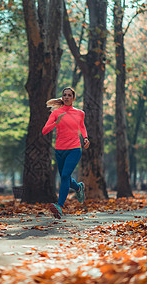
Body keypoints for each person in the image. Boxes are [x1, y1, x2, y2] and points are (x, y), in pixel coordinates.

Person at [42, 87, 90, 219]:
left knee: (64, 176)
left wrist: (85, 138)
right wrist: (55, 123)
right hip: (59, 150)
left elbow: (82, 126)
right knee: (66, 178)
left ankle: (59, 206)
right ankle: (78, 187)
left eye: (69, 95)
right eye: (64, 95)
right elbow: (44, 130)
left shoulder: (80, 113)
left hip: (74, 149)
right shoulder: (56, 113)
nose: (67, 97)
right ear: (62, 98)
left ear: (73, 98)